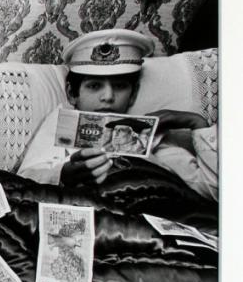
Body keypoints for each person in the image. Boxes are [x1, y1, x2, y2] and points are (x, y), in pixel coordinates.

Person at [16, 29, 218, 201]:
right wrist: (63, 174)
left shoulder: (149, 135)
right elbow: (25, 183)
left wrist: (196, 122)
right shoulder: (60, 124)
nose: (108, 97)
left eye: (120, 86)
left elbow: (212, 191)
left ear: (133, 94)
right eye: (94, 86)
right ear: (72, 93)